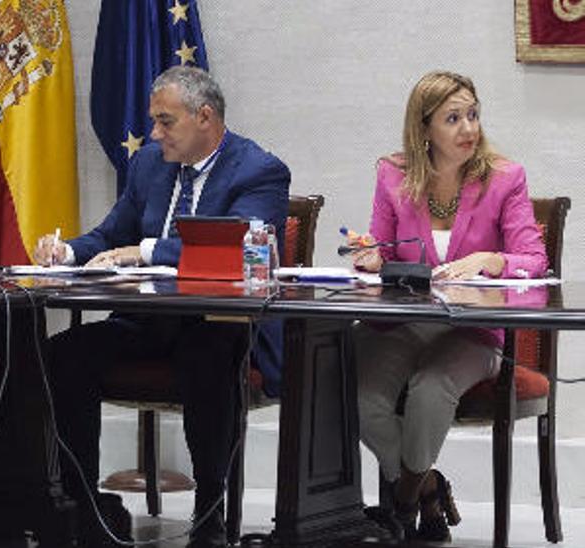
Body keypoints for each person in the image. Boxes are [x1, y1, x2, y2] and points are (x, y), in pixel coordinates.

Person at [33, 65, 290, 548]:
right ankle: (84, 510)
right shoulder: (150, 164)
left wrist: (148, 250)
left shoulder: (259, 170)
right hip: (147, 321)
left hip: (219, 326)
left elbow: (238, 247)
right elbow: (112, 235)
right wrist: (66, 251)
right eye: (154, 121)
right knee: (62, 355)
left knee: (207, 356)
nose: (154, 133)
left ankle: (210, 512)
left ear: (205, 117)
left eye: (165, 121)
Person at [346, 71, 546, 541]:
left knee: (430, 390)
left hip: (473, 332)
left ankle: (404, 504)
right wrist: (372, 254)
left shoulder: (504, 178)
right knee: (358, 397)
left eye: (473, 115)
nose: (468, 128)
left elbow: (535, 261)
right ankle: (427, 489)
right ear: (424, 129)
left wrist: (491, 258)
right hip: (405, 326)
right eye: (453, 118)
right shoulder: (393, 175)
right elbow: (385, 250)